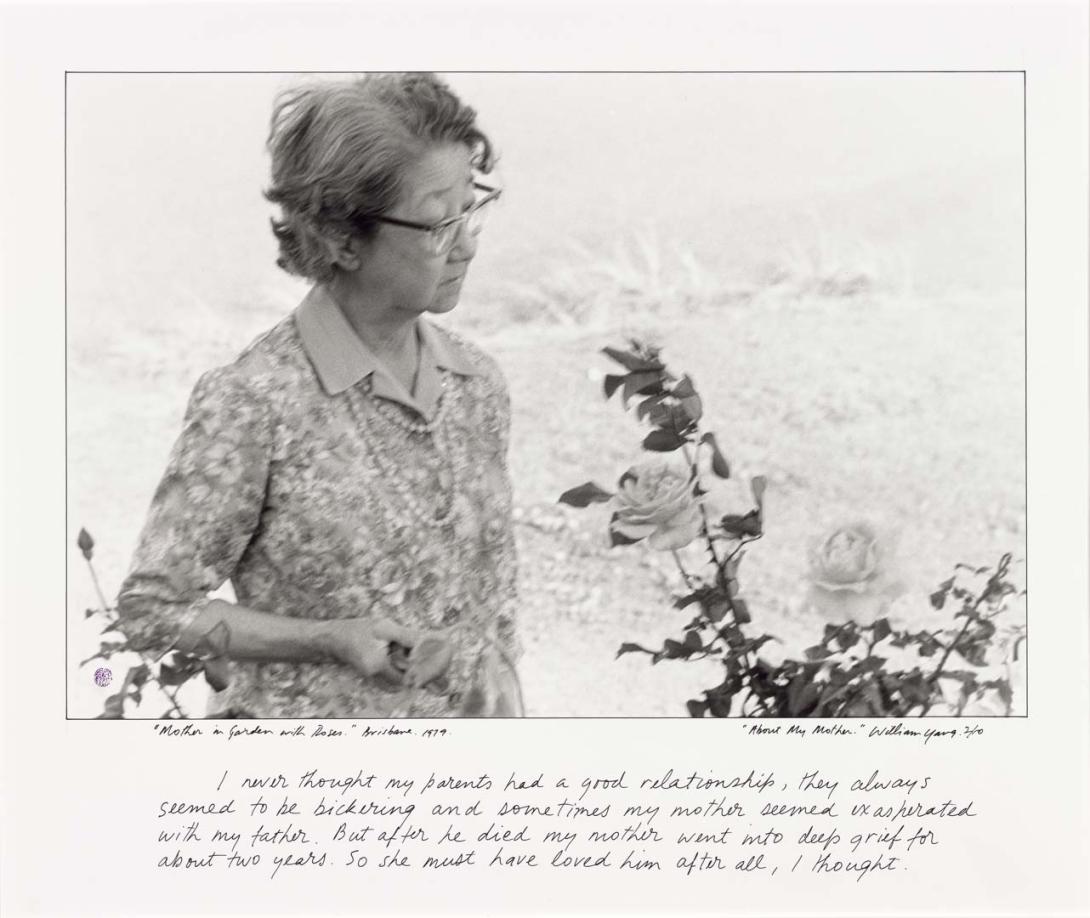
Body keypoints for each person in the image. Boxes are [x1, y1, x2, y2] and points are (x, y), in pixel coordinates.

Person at [116, 72, 522, 718]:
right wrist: (328, 640)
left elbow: (494, 620)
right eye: (438, 226)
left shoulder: (477, 384)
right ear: (340, 238)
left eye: (472, 209)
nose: (468, 245)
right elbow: (151, 611)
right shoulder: (254, 402)